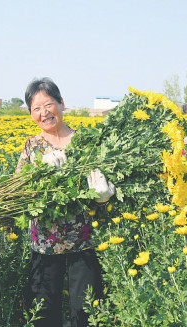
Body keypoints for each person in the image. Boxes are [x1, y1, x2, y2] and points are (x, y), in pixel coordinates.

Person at [16, 77, 115, 327]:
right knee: (43, 315)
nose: (43, 113)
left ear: (61, 103)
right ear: (30, 114)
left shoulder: (86, 143)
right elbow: (18, 194)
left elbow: (102, 193)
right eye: (36, 108)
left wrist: (104, 199)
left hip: (83, 243)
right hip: (43, 246)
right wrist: (39, 172)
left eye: (48, 105)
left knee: (85, 314)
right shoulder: (31, 147)